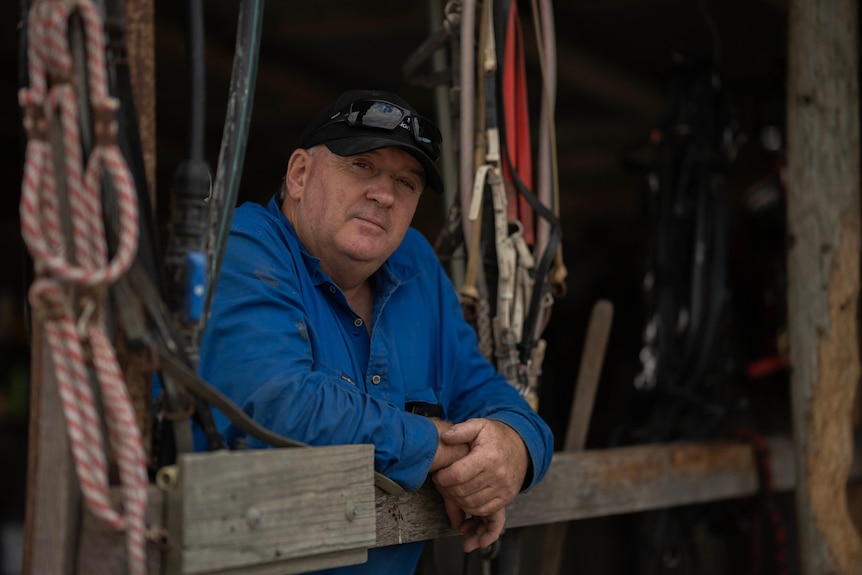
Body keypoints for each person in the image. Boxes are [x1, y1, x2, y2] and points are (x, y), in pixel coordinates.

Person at [198, 89, 554, 574]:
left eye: (405, 183)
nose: (384, 194)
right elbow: (277, 399)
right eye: (362, 165)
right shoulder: (241, 246)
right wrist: (441, 445)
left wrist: (514, 447)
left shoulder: (416, 264)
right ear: (300, 175)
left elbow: (482, 388)